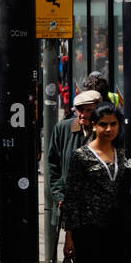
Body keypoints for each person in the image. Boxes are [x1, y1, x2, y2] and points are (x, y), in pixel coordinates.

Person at [62, 102, 126, 263]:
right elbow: (72, 196)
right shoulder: (81, 156)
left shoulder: (124, 155)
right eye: (103, 124)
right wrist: (69, 235)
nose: (108, 129)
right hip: (89, 230)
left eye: (113, 124)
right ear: (94, 126)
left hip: (117, 231)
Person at [47, 89, 99, 230]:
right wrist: (59, 196)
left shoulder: (106, 129)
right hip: (72, 205)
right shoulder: (63, 128)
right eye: (79, 110)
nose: (82, 114)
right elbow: (53, 166)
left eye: (88, 110)